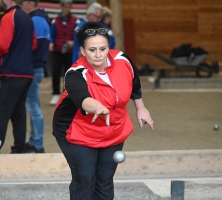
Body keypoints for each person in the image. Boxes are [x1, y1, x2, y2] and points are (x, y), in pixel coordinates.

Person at [52, 22, 154, 199]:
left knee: (105, 181)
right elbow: (81, 97)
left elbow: (134, 83)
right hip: (77, 132)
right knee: (85, 178)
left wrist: (141, 107)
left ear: (109, 47)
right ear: (83, 51)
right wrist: (97, 106)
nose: (98, 55)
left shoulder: (122, 60)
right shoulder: (75, 73)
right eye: (92, 50)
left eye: (103, 48)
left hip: (113, 129)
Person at [0, 0, 36, 154]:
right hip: (26, 72)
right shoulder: (27, 17)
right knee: (18, 112)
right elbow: (33, 44)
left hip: (13, 72)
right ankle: (19, 148)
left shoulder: (9, 17)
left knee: (1, 112)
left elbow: (3, 45)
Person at [18, 0, 50, 153]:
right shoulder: (41, 18)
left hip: (33, 67)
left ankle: (37, 143)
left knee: (33, 106)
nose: (19, 6)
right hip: (37, 67)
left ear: (30, 3)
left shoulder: (35, 20)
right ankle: (34, 141)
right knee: (33, 105)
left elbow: (31, 46)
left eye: (21, 3)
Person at [49, 0, 78, 105]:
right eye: (65, 6)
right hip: (57, 50)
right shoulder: (55, 20)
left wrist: (72, 43)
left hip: (69, 51)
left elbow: (76, 35)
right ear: (61, 7)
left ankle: (65, 93)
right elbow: (52, 34)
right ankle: (56, 94)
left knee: (68, 73)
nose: (67, 8)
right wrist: (51, 43)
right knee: (56, 72)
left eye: (69, 6)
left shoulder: (75, 20)